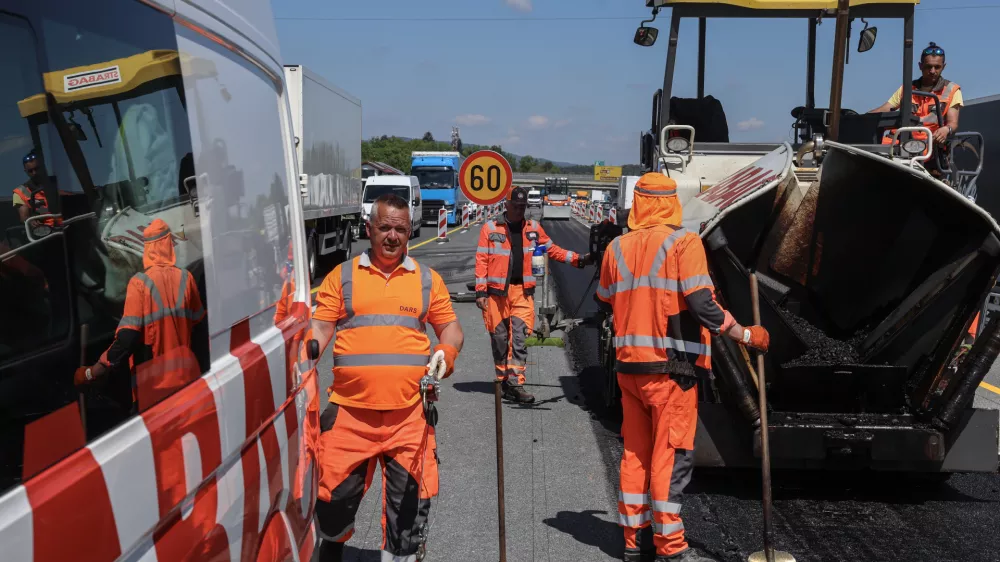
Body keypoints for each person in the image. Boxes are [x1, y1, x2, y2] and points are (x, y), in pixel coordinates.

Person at [595, 173, 770, 562]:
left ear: (638, 203)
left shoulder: (616, 247)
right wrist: (746, 335)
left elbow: (604, 298)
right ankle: (670, 547)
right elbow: (705, 308)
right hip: (672, 371)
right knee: (669, 456)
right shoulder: (683, 243)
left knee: (636, 454)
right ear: (672, 203)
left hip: (628, 371)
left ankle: (632, 540)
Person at [310, 193, 464, 562]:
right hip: (349, 415)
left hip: (409, 417)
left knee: (409, 507)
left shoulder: (427, 280)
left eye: (400, 229)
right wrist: (303, 350)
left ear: (410, 232)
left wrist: (447, 352)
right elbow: (319, 328)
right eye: (384, 228)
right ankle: (330, 550)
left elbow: (451, 328)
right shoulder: (342, 276)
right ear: (369, 229)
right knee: (331, 500)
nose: (392, 236)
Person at [475, 185, 593, 403]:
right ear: (507, 205)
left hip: (522, 292)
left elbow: (553, 250)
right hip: (496, 294)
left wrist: (578, 259)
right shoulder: (490, 228)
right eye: (516, 206)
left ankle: (516, 382)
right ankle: (502, 380)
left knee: (519, 337)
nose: (520, 210)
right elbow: (482, 260)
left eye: (523, 206)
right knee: (500, 338)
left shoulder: (533, 229)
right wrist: (480, 291)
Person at [75, 218, 206, 409]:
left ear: (148, 249)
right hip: (187, 379)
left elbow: (127, 338)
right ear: (168, 245)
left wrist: (93, 372)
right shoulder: (187, 278)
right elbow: (200, 328)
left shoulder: (140, 283)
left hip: (154, 387)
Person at [870, 42, 963, 148]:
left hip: (929, 144)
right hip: (898, 141)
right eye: (928, 67)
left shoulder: (952, 90)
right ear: (920, 66)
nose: (932, 71)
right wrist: (861, 118)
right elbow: (885, 109)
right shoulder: (907, 88)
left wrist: (946, 129)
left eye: (937, 67)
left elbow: (953, 123)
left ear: (944, 67)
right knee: (866, 145)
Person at [12, 150, 56, 226]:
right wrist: (30, 221)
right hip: (44, 232)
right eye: (30, 171)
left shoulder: (56, 183)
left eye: (37, 169)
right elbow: (24, 217)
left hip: (67, 225)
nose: (34, 173)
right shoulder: (20, 192)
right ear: (25, 171)